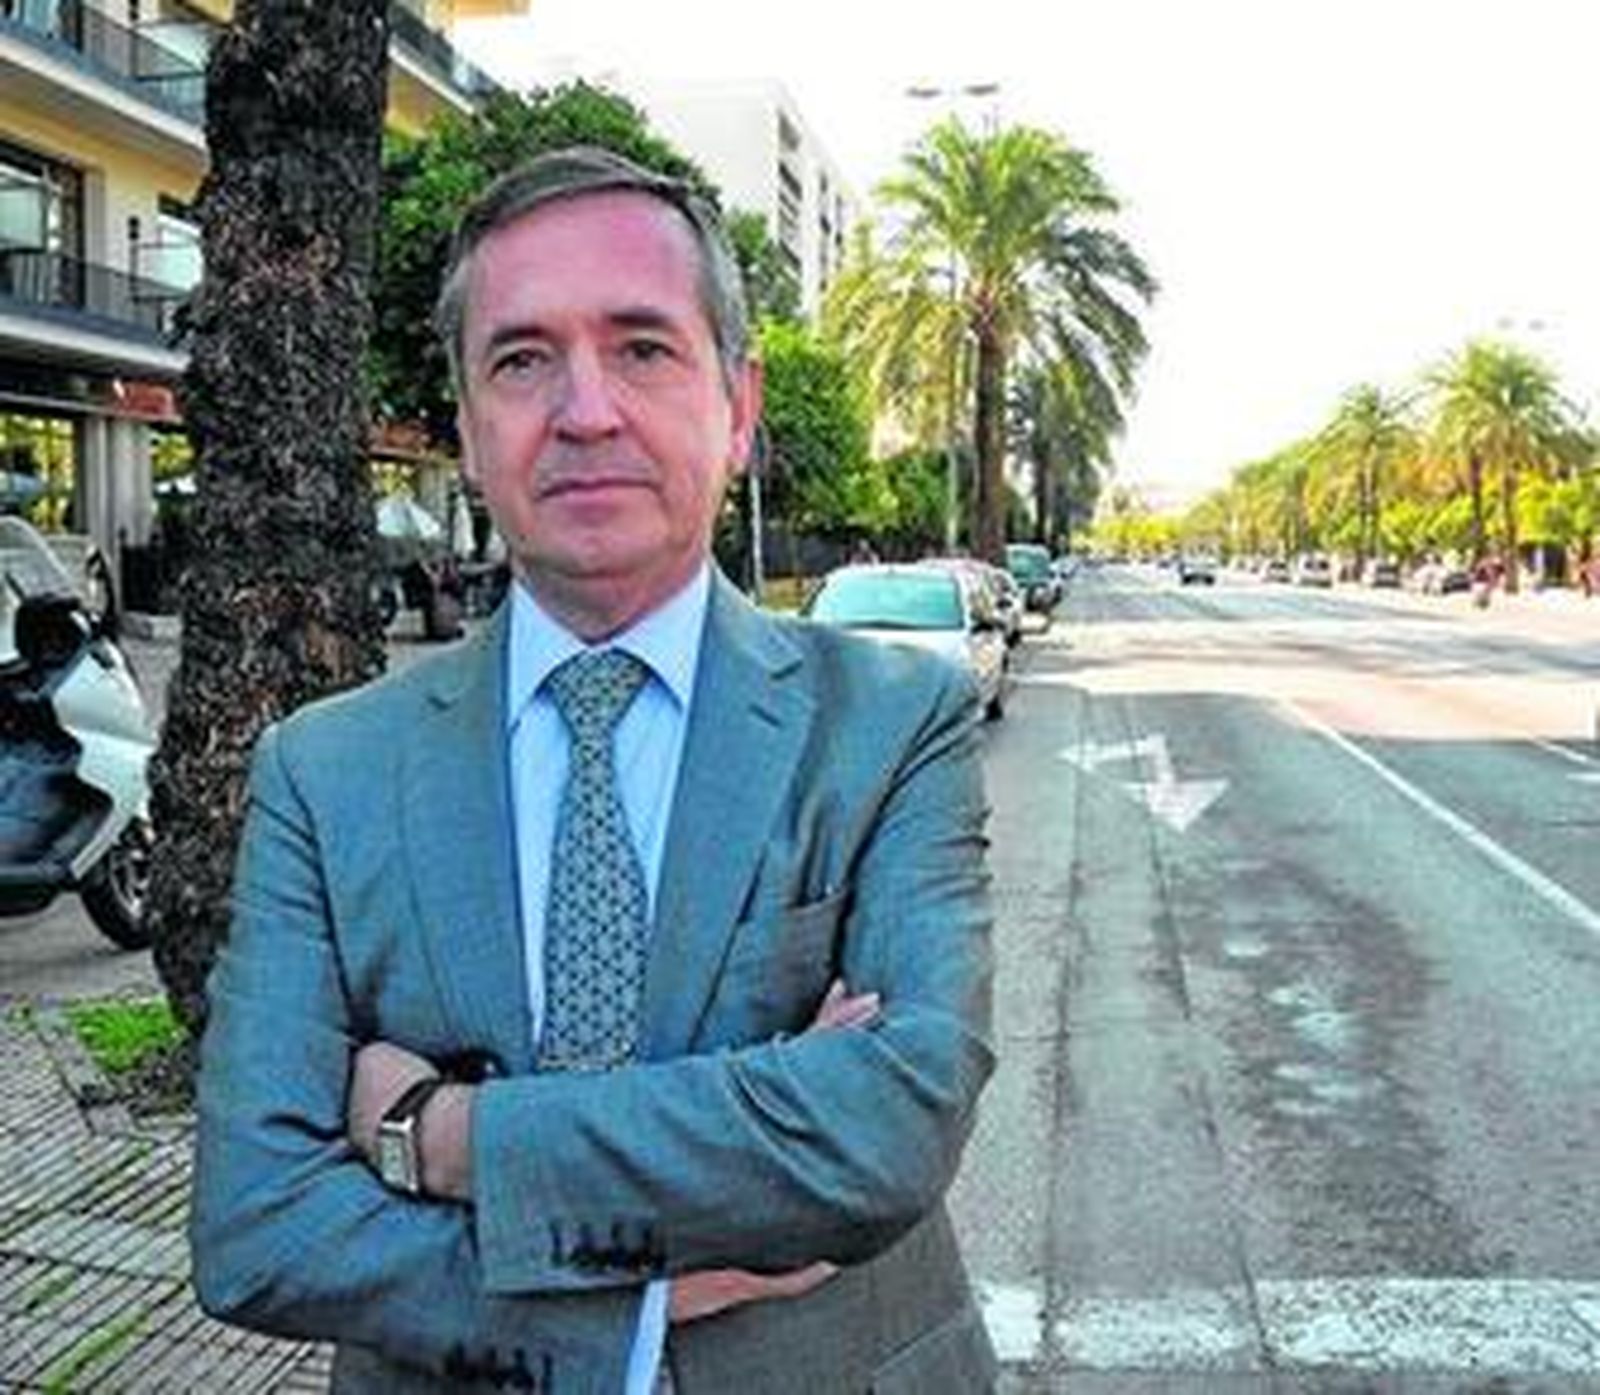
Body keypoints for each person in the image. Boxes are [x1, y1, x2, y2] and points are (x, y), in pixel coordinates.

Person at [191, 147, 997, 1393]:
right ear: (464, 430)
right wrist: (643, 1302)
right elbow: (257, 1227)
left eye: (641, 347)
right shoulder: (324, 771)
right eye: (521, 360)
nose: (584, 411)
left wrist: (442, 1136)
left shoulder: (893, 724)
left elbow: (890, 1127)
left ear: (738, 407)